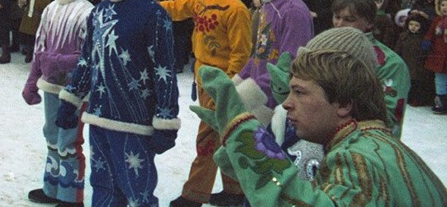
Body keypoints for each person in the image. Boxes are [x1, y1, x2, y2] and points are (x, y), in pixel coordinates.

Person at [192, 49, 447, 205]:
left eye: (300, 93)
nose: (287, 104)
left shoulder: (357, 159)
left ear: (344, 104)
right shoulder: (372, 144)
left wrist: (244, 136)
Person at [57, 0, 180, 206]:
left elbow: (164, 70)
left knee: (138, 194)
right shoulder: (98, 12)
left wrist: (166, 117)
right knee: (103, 189)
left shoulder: (153, 14)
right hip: (99, 117)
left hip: (134, 123)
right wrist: (71, 98)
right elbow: (88, 59)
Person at [162, 0, 252, 207]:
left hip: (221, 83)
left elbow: (241, 53)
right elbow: (177, 8)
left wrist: (228, 86)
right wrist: (151, 7)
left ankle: (194, 194)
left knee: (208, 137)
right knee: (225, 135)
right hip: (202, 75)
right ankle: (234, 190)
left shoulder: (235, 9)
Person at [23, 0, 94, 207]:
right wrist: (32, 80)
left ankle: (70, 196)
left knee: (69, 139)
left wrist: (61, 62)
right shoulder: (51, 9)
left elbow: (89, 55)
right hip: (50, 85)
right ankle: (51, 188)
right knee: (52, 134)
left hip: (74, 90)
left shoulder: (87, 11)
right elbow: (39, 47)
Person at [235, 0, 314, 107]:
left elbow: (290, 66)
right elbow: (259, 55)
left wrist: (248, 95)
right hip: (258, 99)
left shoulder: (293, 11)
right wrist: (235, 83)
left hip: (277, 105)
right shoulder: (268, 5)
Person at [330, 0, 410, 135]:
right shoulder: (322, 50)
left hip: (365, 146)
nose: (339, 24)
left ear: (369, 23)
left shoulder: (390, 63)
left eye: (349, 19)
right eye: (336, 17)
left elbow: (388, 117)